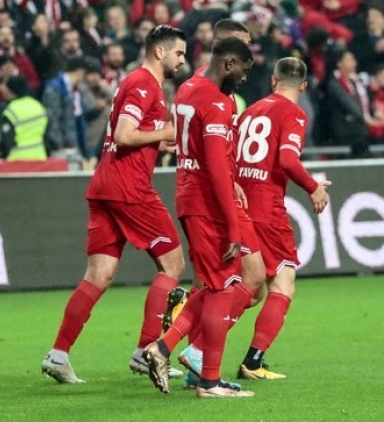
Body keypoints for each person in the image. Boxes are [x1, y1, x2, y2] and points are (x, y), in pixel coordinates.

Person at [41, 25, 188, 385]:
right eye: (179, 53)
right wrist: (165, 133)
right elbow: (123, 135)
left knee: (99, 274)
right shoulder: (144, 84)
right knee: (173, 264)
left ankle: (58, 354)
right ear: (160, 52)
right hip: (129, 188)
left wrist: (155, 142)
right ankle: (145, 351)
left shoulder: (133, 82)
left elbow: (129, 134)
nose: (182, 60)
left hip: (106, 186)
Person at [142, 36, 255, 399]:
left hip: (188, 195)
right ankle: (209, 381)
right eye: (242, 70)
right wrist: (233, 225)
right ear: (228, 63)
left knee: (212, 286)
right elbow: (217, 168)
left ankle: (163, 347)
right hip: (207, 203)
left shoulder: (187, 88)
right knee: (223, 287)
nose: (243, 79)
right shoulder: (216, 101)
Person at [167, 19, 267, 390]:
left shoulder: (200, 87)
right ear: (227, 52)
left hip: (213, 189)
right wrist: (229, 201)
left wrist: (234, 179)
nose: (247, 60)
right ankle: (195, 355)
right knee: (242, 282)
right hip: (212, 196)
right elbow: (210, 156)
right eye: (243, 47)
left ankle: (187, 355)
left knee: (222, 285)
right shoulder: (212, 93)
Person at [233, 57, 331, 380]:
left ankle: (191, 326)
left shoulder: (249, 111)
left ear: (273, 81)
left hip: (238, 204)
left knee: (251, 289)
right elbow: (288, 160)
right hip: (266, 209)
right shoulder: (294, 114)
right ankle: (252, 361)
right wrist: (313, 187)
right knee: (283, 282)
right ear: (304, 87)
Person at [0, 76, 48, 160]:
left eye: (7, 90)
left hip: (18, 159)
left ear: (12, 91)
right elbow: (47, 133)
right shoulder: (37, 105)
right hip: (39, 156)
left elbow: (7, 142)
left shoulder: (10, 111)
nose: (4, 92)